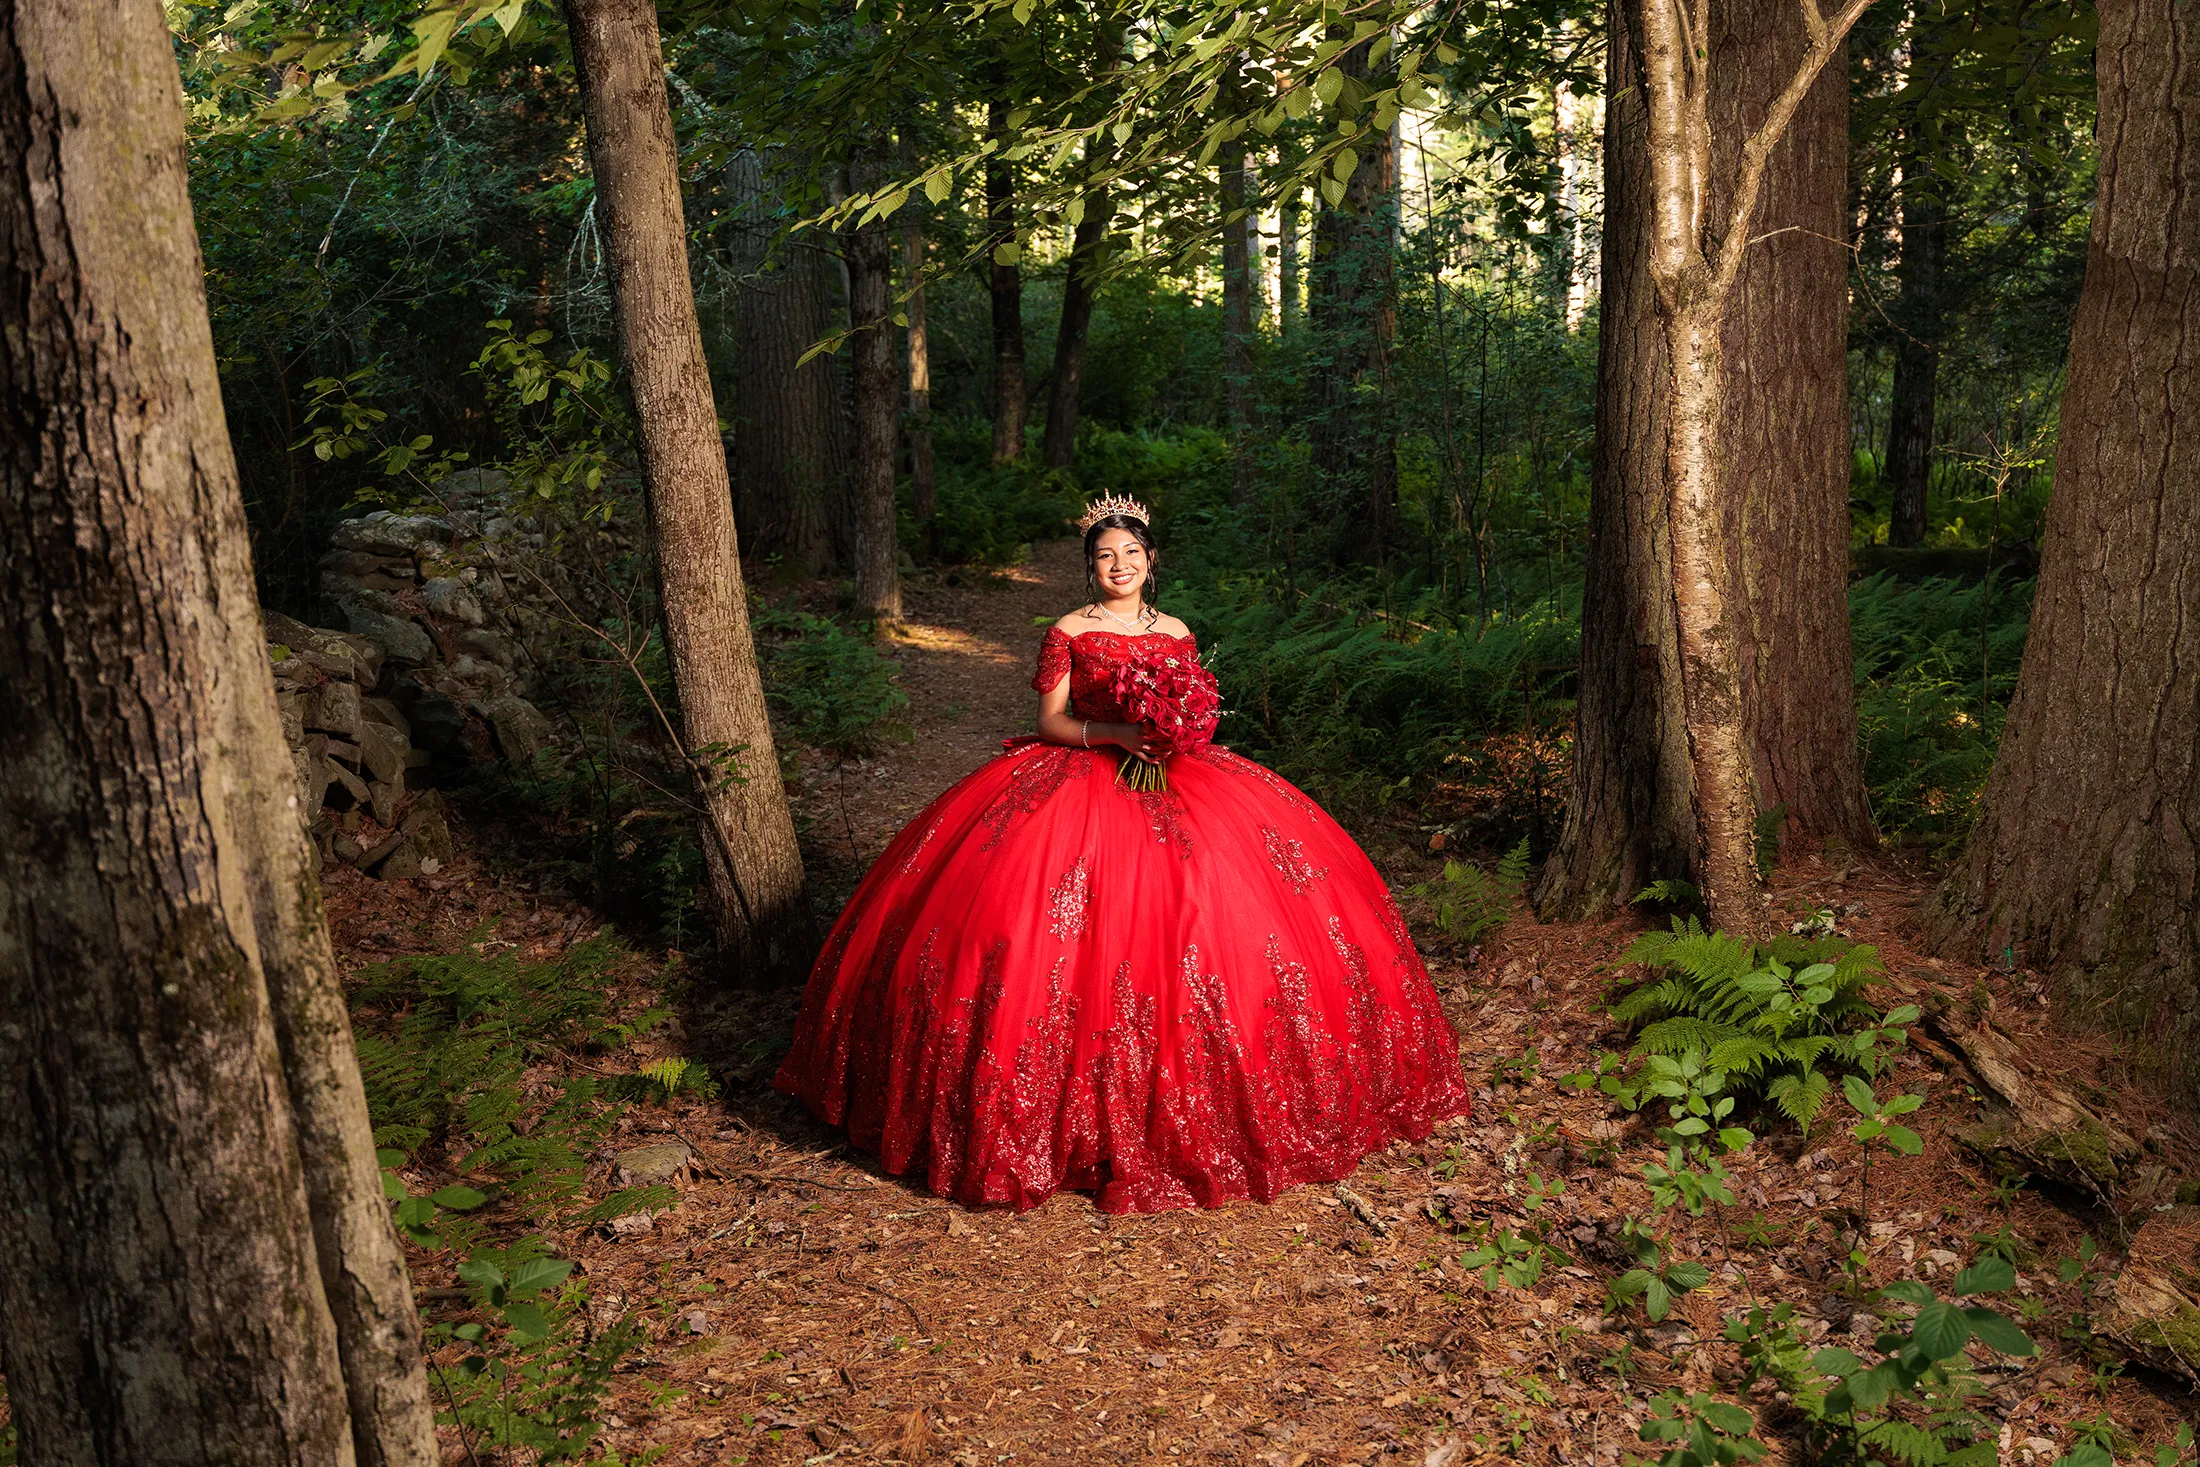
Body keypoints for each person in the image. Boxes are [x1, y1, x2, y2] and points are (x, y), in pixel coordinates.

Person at [773, 495, 1470, 1213]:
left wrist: (1174, 734)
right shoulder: (1068, 630)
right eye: (1106, 556)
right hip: (1083, 774)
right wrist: (1115, 735)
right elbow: (1049, 721)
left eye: (1131, 554)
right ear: (1089, 566)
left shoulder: (1176, 631)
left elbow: (1197, 706)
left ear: (1150, 561)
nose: (1119, 566)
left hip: (1180, 778)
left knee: (1211, 912)